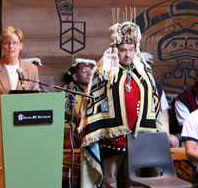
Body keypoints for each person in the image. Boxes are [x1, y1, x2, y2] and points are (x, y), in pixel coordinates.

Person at [79, 21, 162, 188]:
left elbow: (153, 100)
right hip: (111, 138)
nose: (127, 55)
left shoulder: (143, 72)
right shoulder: (103, 72)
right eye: (123, 50)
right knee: (110, 181)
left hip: (138, 138)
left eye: (131, 50)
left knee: (134, 181)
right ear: (115, 50)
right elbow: (93, 100)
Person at [0, 26, 39, 103]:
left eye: (15, 43)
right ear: (2, 46)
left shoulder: (32, 69)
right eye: (7, 43)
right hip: (0, 113)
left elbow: (36, 98)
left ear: (20, 45)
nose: (11, 46)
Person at [142, 52, 180, 147]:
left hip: (155, 129)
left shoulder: (157, 89)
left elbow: (164, 117)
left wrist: (163, 136)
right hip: (134, 131)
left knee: (173, 140)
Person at [63, 58, 96, 149]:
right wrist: (75, 116)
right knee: (69, 142)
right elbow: (62, 109)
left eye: (91, 71)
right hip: (72, 129)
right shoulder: (69, 90)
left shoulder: (96, 91)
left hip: (91, 129)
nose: (89, 74)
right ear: (75, 77)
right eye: (84, 71)